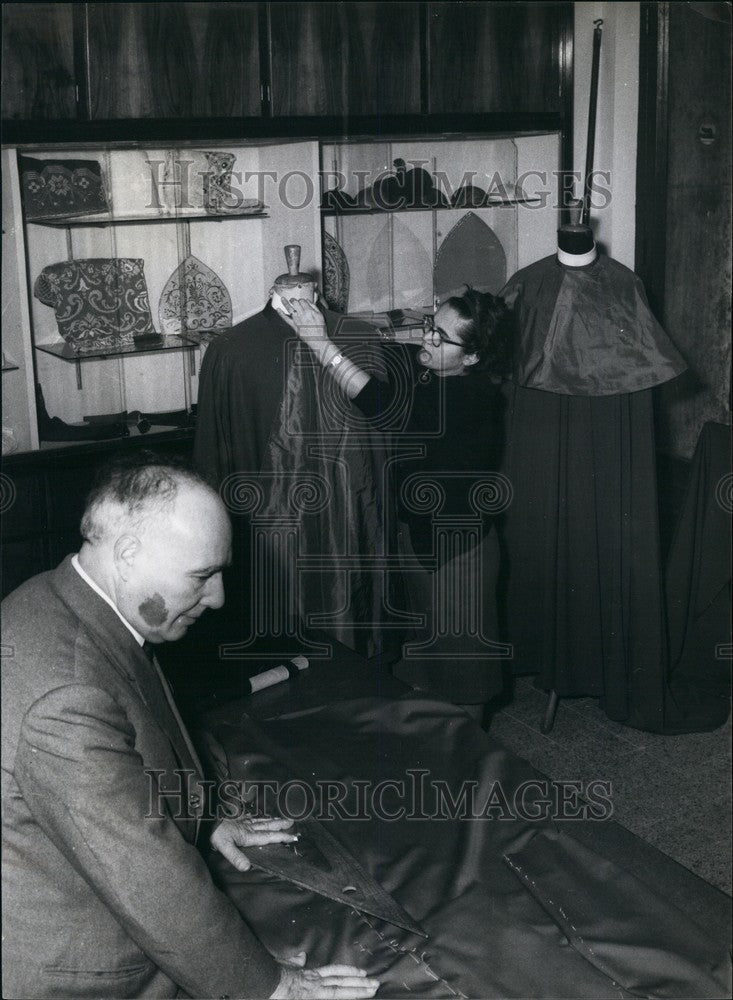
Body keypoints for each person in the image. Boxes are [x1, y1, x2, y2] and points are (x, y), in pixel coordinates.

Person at [1, 453, 379, 1000]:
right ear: (128, 555)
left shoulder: (67, 602)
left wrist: (201, 822)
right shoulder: (67, 695)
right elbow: (150, 883)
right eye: (201, 576)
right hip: (80, 969)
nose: (218, 597)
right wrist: (273, 988)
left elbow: (134, 757)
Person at [285, 288, 513, 723]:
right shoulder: (440, 369)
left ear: (473, 358)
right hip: (422, 540)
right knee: (429, 661)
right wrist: (338, 325)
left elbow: (383, 405)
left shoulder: (471, 398)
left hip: (458, 553)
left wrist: (321, 343)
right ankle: (439, 748)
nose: (427, 339)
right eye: (430, 325)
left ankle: (471, 764)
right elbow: (397, 353)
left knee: (466, 677)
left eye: (441, 337)